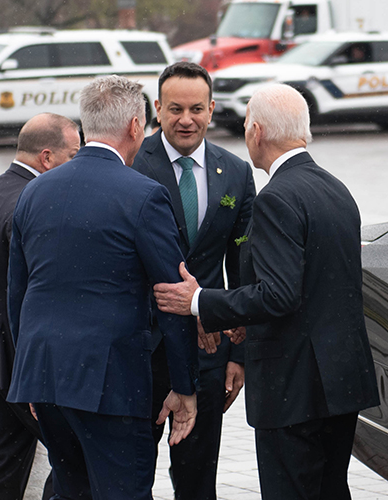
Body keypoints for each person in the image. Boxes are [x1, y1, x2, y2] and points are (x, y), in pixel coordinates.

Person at [154, 83, 380, 500]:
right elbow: (320, 285)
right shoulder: (335, 188)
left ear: (256, 131)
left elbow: (279, 294)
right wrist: (240, 317)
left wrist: (199, 301)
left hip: (295, 386)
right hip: (341, 380)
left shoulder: (277, 197)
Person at [6, 75, 199, 500]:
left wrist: (32, 373)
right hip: (109, 381)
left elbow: (18, 294)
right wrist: (185, 385)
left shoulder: (34, 191)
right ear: (135, 127)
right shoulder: (144, 195)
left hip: (45, 375)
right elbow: (174, 298)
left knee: (71, 489)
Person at [131, 61, 255, 500]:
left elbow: (243, 267)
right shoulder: (132, 165)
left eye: (197, 109)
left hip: (208, 354)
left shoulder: (236, 173)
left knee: (198, 479)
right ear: (158, 110)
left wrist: (238, 352)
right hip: (142, 351)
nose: (187, 120)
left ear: (212, 109)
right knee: (130, 477)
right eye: (176, 109)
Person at [0, 112, 80, 500]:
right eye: (73, 155)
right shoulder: (30, 204)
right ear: (47, 157)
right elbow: (38, 292)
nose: (77, 165)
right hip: (20, 367)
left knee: (6, 467)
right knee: (74, 460)